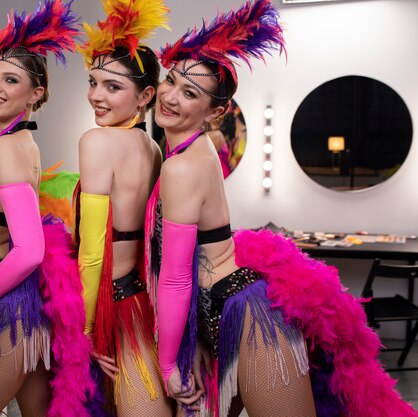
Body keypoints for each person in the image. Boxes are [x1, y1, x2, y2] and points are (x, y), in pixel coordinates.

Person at [145, 0, 418, 416]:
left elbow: (179, 276)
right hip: (219, 314)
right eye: (171, 81)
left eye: (190, 92)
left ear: (215, 112)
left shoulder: (182, 165)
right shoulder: (196, 149)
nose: (170, 96)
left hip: (245, 316)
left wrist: (168, 365)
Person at [0, 2, 93, 416]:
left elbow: (29, 250)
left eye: (12, 80)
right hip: (19, 304)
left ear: (35, 93)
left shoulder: (8, 148)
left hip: (5, 309)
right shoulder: (15, 142)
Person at [74, 0, 174, 415]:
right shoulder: (152, 149)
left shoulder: (96, 142)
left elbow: (93, 250)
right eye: (94, 82)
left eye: (112, 87)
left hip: (105, 307)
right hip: (139, 304)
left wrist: (83, 332)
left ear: (145, 95)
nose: (96, 96)